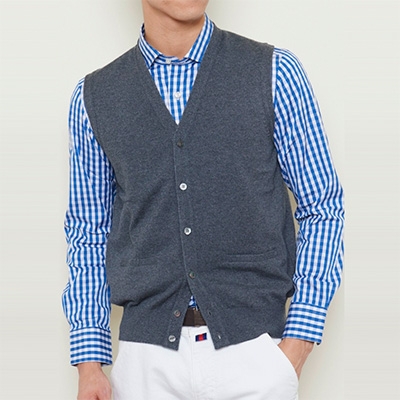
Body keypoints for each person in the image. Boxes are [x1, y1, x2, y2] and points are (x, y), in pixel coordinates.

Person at [62, 1, 344, 399]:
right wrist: (90, 364)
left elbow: (323, 207)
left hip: (255, 356)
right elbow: (88, 233)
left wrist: (296, 344)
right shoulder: (95, 97)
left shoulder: (274, 73)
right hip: (145, 365)